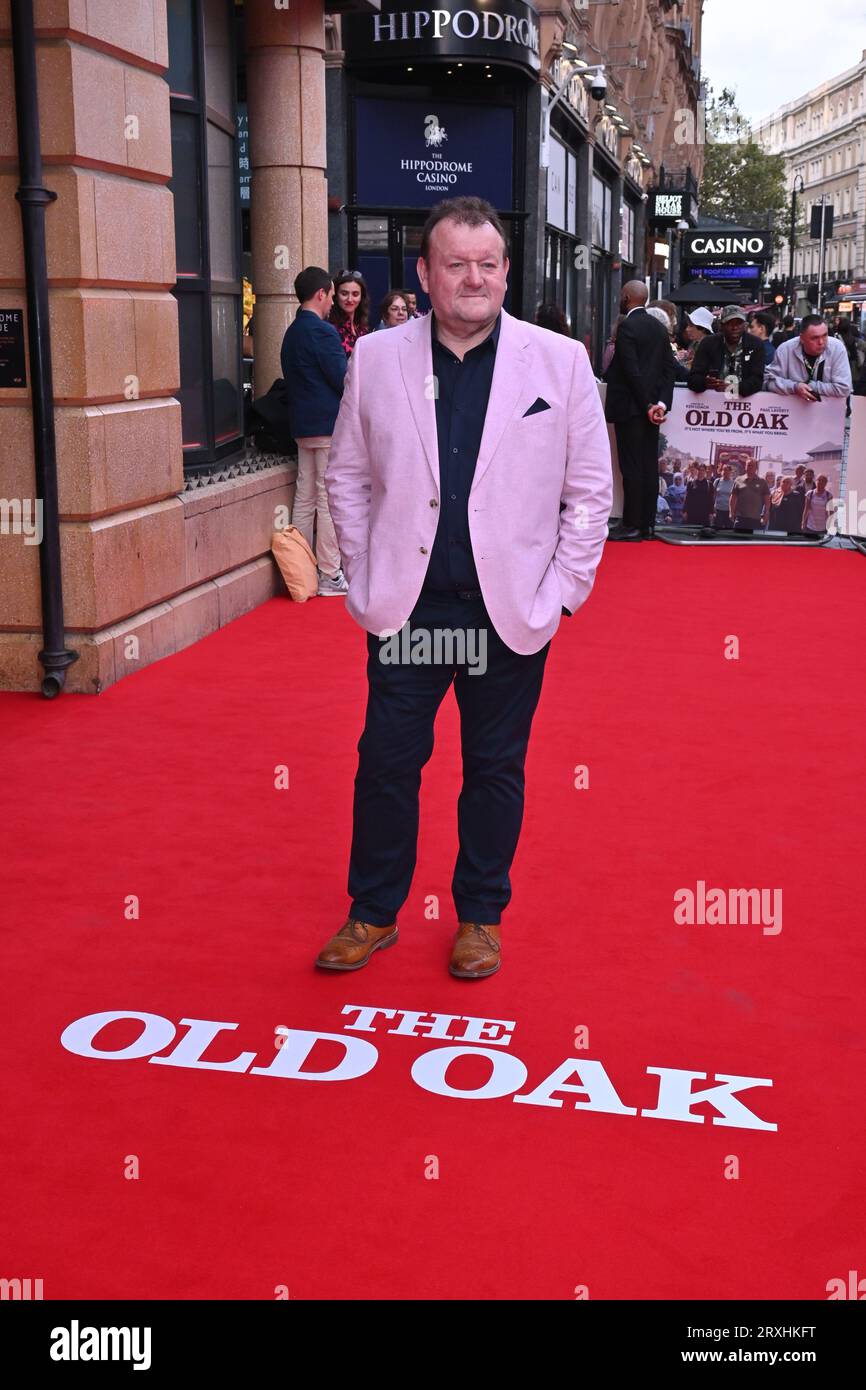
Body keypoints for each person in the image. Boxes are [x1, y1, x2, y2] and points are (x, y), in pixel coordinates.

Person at [319, 194, 612, 979]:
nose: (473, 278)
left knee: (493, 769)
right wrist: (365, 568)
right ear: (425, 271)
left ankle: (480, 917)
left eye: (488, 264)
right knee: (385, 763)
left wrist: (560, 593)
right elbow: (345, 477)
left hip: (505, 612)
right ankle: (373, 913)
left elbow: (590, 495)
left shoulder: (560, 362)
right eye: (456, 264)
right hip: (410, 609)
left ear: (507, 273)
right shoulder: (376, 358)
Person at [280, 266, 349, 596]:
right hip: (326, 425)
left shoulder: (292, 332)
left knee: (305, 498)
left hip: (302, 426)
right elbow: (343, 379)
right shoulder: (322, 332)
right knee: (328, 499)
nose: (333, 303)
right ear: (321, 293)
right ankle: (328, 574)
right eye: (333, 295)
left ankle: (305, 571)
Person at [603, 279, 675, 541]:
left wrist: (646, 405)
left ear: (625, 297)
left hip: (632, 409)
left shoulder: (627, 327)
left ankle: (632, 524)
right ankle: (647, 524)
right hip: (651, 410)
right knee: (648, 466)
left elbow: (631, 371)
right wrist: (660, 404)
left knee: (632, 467)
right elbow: (669, 369)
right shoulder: (658, 327)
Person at [765, 314, 852, 398]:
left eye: (825, 335)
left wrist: (810, 386)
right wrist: (794, 387)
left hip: (831, 411)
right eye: (815, 338)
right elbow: (768, 381)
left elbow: (844, 388)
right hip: (794, 409)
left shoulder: (837, 348)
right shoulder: (785, 350)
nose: (821, 342)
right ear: (802, 338)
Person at [687, 306, 765, 396]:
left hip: (746, 403)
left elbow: (757, 381)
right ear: (721, 325)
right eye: (729, 323)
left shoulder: (755, 344)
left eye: (739, 323)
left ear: (745, 325)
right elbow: (693, 379)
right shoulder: (708, 343)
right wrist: (705, 382)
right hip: (711, 401)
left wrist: (733, 388)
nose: (734, 327)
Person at [328, 269, 371, 357]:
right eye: (344, 294)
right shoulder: (330, 328)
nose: (350, 299)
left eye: (355, 294)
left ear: (361, 297)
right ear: (335, 296)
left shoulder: (363, 328)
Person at [729, 458, 770, 532]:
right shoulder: (738, 480)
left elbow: (767, 500)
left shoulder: (762, 482)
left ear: (756, 468)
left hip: (755, 519)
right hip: (740, 518)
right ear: (745, 467)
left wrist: (766, 514)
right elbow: (733, 497)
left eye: (752, 466)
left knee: (752, 543)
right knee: (737, 541)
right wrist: (731, 512)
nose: (750, 467)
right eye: (748, 465)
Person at [712, 464, 735, 528]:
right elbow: (713, 496)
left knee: (728, 531)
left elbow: (735, 498)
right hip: (718, 510)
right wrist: (712, 509)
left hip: (728, 511)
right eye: (724, 470)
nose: (725, 472)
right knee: (717, 530)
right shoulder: (717, 481)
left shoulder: (733, 483)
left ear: (730, 472)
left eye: (727, 470)